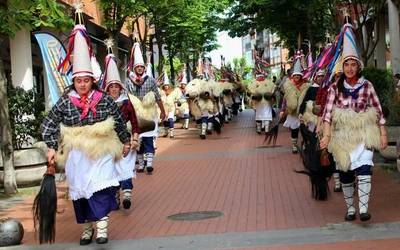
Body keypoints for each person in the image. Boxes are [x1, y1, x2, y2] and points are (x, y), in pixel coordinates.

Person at [43, 12, 130, 245]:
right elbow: (49, 123)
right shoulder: (65, 100)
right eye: (78, 81)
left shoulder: (104, 99)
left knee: (100, 189)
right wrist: (51, 148)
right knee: (81, 191)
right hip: (78, 155)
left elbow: (119, 121)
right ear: (74, 81)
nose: (82, 85)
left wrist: (126, 141)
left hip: (100, 150)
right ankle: (88, 228)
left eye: (86, 80)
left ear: (92, 80)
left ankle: (102, 228)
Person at [320, 22, 388, 222]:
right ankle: (351, 209)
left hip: (364, 132)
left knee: (365, 167)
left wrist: (382, 133)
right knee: (346, 172)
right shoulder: (334, 88)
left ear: (359, 66)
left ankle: (364, 209)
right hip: (342, 136)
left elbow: (377, 110)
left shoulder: (367, 85)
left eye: (353, 64)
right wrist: (326, 136)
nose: (350, 68)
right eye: (347, 64)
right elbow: (328, 115)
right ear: (343, 67)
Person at [102, 42, 140, 209]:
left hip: (125, 136)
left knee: (125, 167)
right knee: (111, 169)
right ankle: (116, 196)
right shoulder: (102, 103)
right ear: (108, 88)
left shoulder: (126, 101)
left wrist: (135, 137)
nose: (114, 89)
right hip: (109, 140)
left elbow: (134, 121)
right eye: (112, 87)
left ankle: (127, 194)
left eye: (117, 86)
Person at [125, 42, 166, 174]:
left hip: (149, 113)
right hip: (135, 115)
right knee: (137, 139)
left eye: (142, 67)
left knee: (148, 138)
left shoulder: (151, 80)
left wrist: (163, 111)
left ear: (144, 68)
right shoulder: (128, 81)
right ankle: (141, 164)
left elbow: (157, 97)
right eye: (138, 67)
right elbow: (126, 98)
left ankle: (149, 163)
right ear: (135, 68)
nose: (140, 69)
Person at [280, 51, 310, 153]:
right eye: (295, 76)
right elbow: (285, 99)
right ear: (293, 77)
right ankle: (294, 145)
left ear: (301, 76)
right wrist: (283, 109)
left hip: (303, 112)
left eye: (298, 76)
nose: (297, 78)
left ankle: (306, 144)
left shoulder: (306, 86)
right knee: (294, 129)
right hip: (292, 112)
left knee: (305, 129)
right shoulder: (288, 86)